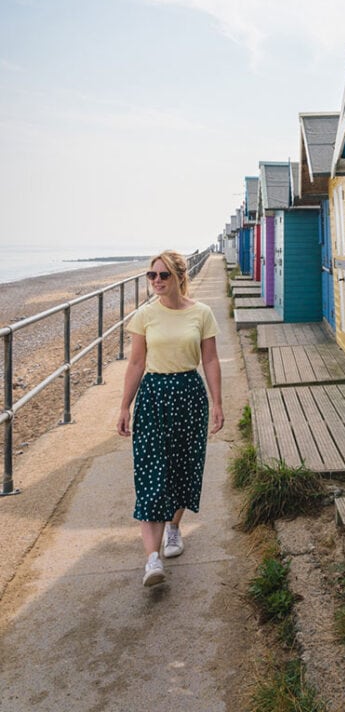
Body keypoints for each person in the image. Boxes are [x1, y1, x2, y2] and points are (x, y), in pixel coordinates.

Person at [116, 249, 224, 587]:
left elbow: (210, 361)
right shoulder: (144, 316)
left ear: (179, 277)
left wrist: (218, 402)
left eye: (163, 275)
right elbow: (136, 363)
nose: (157, 282)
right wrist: (124, 406)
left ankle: (174, 528)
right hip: (153, 397)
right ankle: (152, 560)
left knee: (183, 468)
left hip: (190, 396)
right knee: (151, 474)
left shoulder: (202, 313)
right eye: (152, 276)